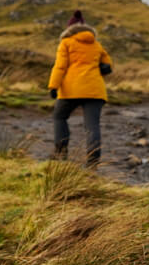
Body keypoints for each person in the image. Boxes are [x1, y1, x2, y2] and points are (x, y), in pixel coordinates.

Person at [48, 10, 113, 166]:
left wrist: (53, 86)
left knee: (60, 117)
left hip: (71, 89)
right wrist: (103, 67)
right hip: (95, 90)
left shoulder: (66, 42)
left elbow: (60, 67)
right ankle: (93, 162)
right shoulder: (96, 44)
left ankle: (61, 154)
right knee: (92, 125)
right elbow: (108, 65)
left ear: (69, 29)